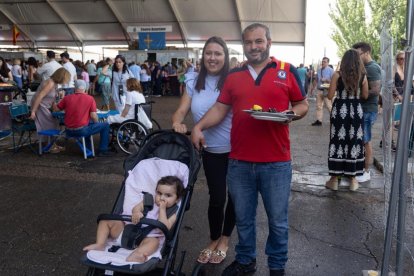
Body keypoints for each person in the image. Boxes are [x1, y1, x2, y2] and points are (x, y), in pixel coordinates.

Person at [191, 23, 308, 276]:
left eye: (258, 41)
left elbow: (302, 105)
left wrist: (290, 115)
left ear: (269, 42)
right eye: (248, 43)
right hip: (239, 161)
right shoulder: (234, 75)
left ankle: (277, 266)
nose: (253, 47)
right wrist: (198, 127)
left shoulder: (287, 71)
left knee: (277, 222)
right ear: (243, 45)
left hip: (276, 162)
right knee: (243, 219)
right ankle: (245, 261)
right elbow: (220, 109)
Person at [172, 36, 235, 265]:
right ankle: (213, 238)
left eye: (218, 53)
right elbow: (181, 110)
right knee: (217, 198)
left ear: (225, 57)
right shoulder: (193, 80)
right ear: (203, 56)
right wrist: (178, 122)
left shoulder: (233, 79)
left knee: (235, 197)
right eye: (209, 53)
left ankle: (225, 240)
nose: (213, 58)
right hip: (210, 150)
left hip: (237, 149)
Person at [83, 175, 184, 263]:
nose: (161, 198)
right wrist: (136, 212)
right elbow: (136, 208)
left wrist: (162, 209)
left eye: (168, 195)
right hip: (125, 232)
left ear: (177, 199)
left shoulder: (172, 212)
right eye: (159, 193)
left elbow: (165, 227)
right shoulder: (149, 200)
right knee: (105, 221)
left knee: (154, 243)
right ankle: (100, 244)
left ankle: (138, 254)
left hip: (145, 239)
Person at [324, 49, 369, 192]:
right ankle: (353, 180)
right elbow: (365, 96)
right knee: (354, 142)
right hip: (356, 110)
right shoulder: (363, 76)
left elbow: (330, 95)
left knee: (338, 141)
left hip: (340, 110)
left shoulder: (337, 74)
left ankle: (334, 180)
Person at [52, 79, 113, 157]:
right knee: (105, 125)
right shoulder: (90, 99)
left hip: (68, 131)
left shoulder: (67, 98)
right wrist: (97, 124)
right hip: (81, 131)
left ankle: (89, 149)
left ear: (75, 88)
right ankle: (103, 150)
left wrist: (54, 103)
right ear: (85, 88)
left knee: (87, 125)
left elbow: (56, 109)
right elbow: (93, 116)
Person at [352, 42, 382, 183]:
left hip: (368, 110)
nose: (356, 57)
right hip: (363, 109)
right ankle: (361, 169)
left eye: (358, 54)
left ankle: (366, 171)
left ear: (366, 53)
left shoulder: (373, 68)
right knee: (362, 140)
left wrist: (357, 94)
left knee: (366, 141)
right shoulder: (365, 67)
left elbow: (376, 90)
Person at [29, 68, 70, 146]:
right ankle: (49, 144)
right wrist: (33, 111)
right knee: (51, 123)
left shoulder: (54, 83)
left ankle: (50, 144)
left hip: (44, 105)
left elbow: (51, 98)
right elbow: (39, 96)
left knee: (54, 122)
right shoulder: (50, 83)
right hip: (40, 105)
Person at [311, 57, 334, 126]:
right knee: (318, 106)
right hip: (319, 90)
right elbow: (316, 80)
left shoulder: (331, 70)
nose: (323, 63)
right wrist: (312, 88)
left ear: (328, 63)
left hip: (326, 90)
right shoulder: (319, 70)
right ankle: (319, 120)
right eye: (322, 61)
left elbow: (334, 81)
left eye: (324, 62)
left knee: (329, 106)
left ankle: (334, 119)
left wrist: (326, 80)